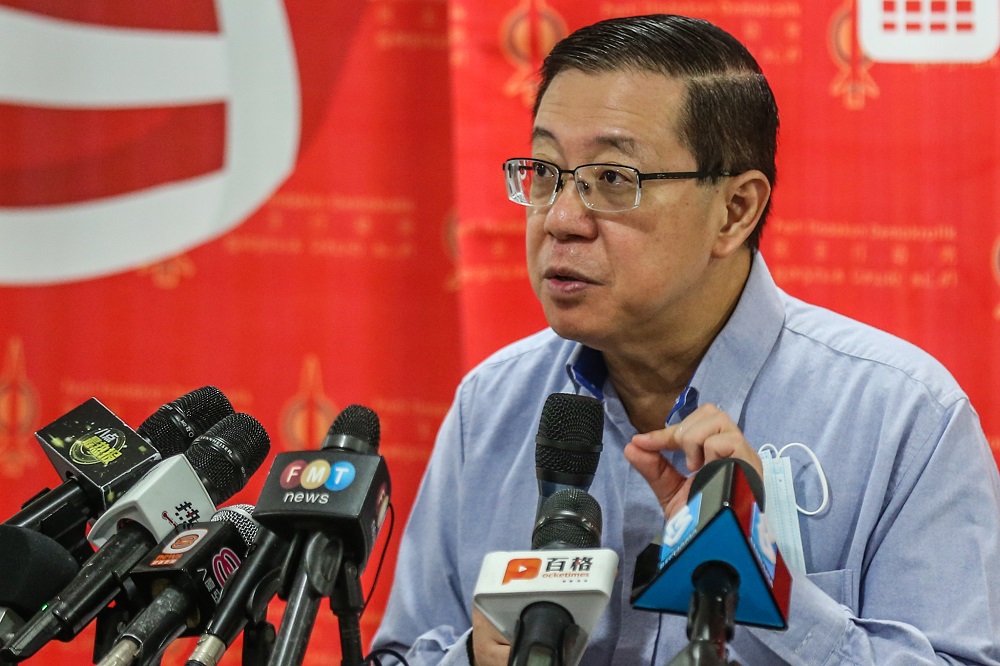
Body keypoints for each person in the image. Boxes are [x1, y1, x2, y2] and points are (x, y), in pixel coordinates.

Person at [371, 13, 1000, 665]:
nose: (559, 219)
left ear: (735, 210)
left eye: (613, 179)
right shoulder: (493, 405)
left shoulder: (901, 417)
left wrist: (768, 590)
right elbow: (400, 653)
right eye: (546, 171)